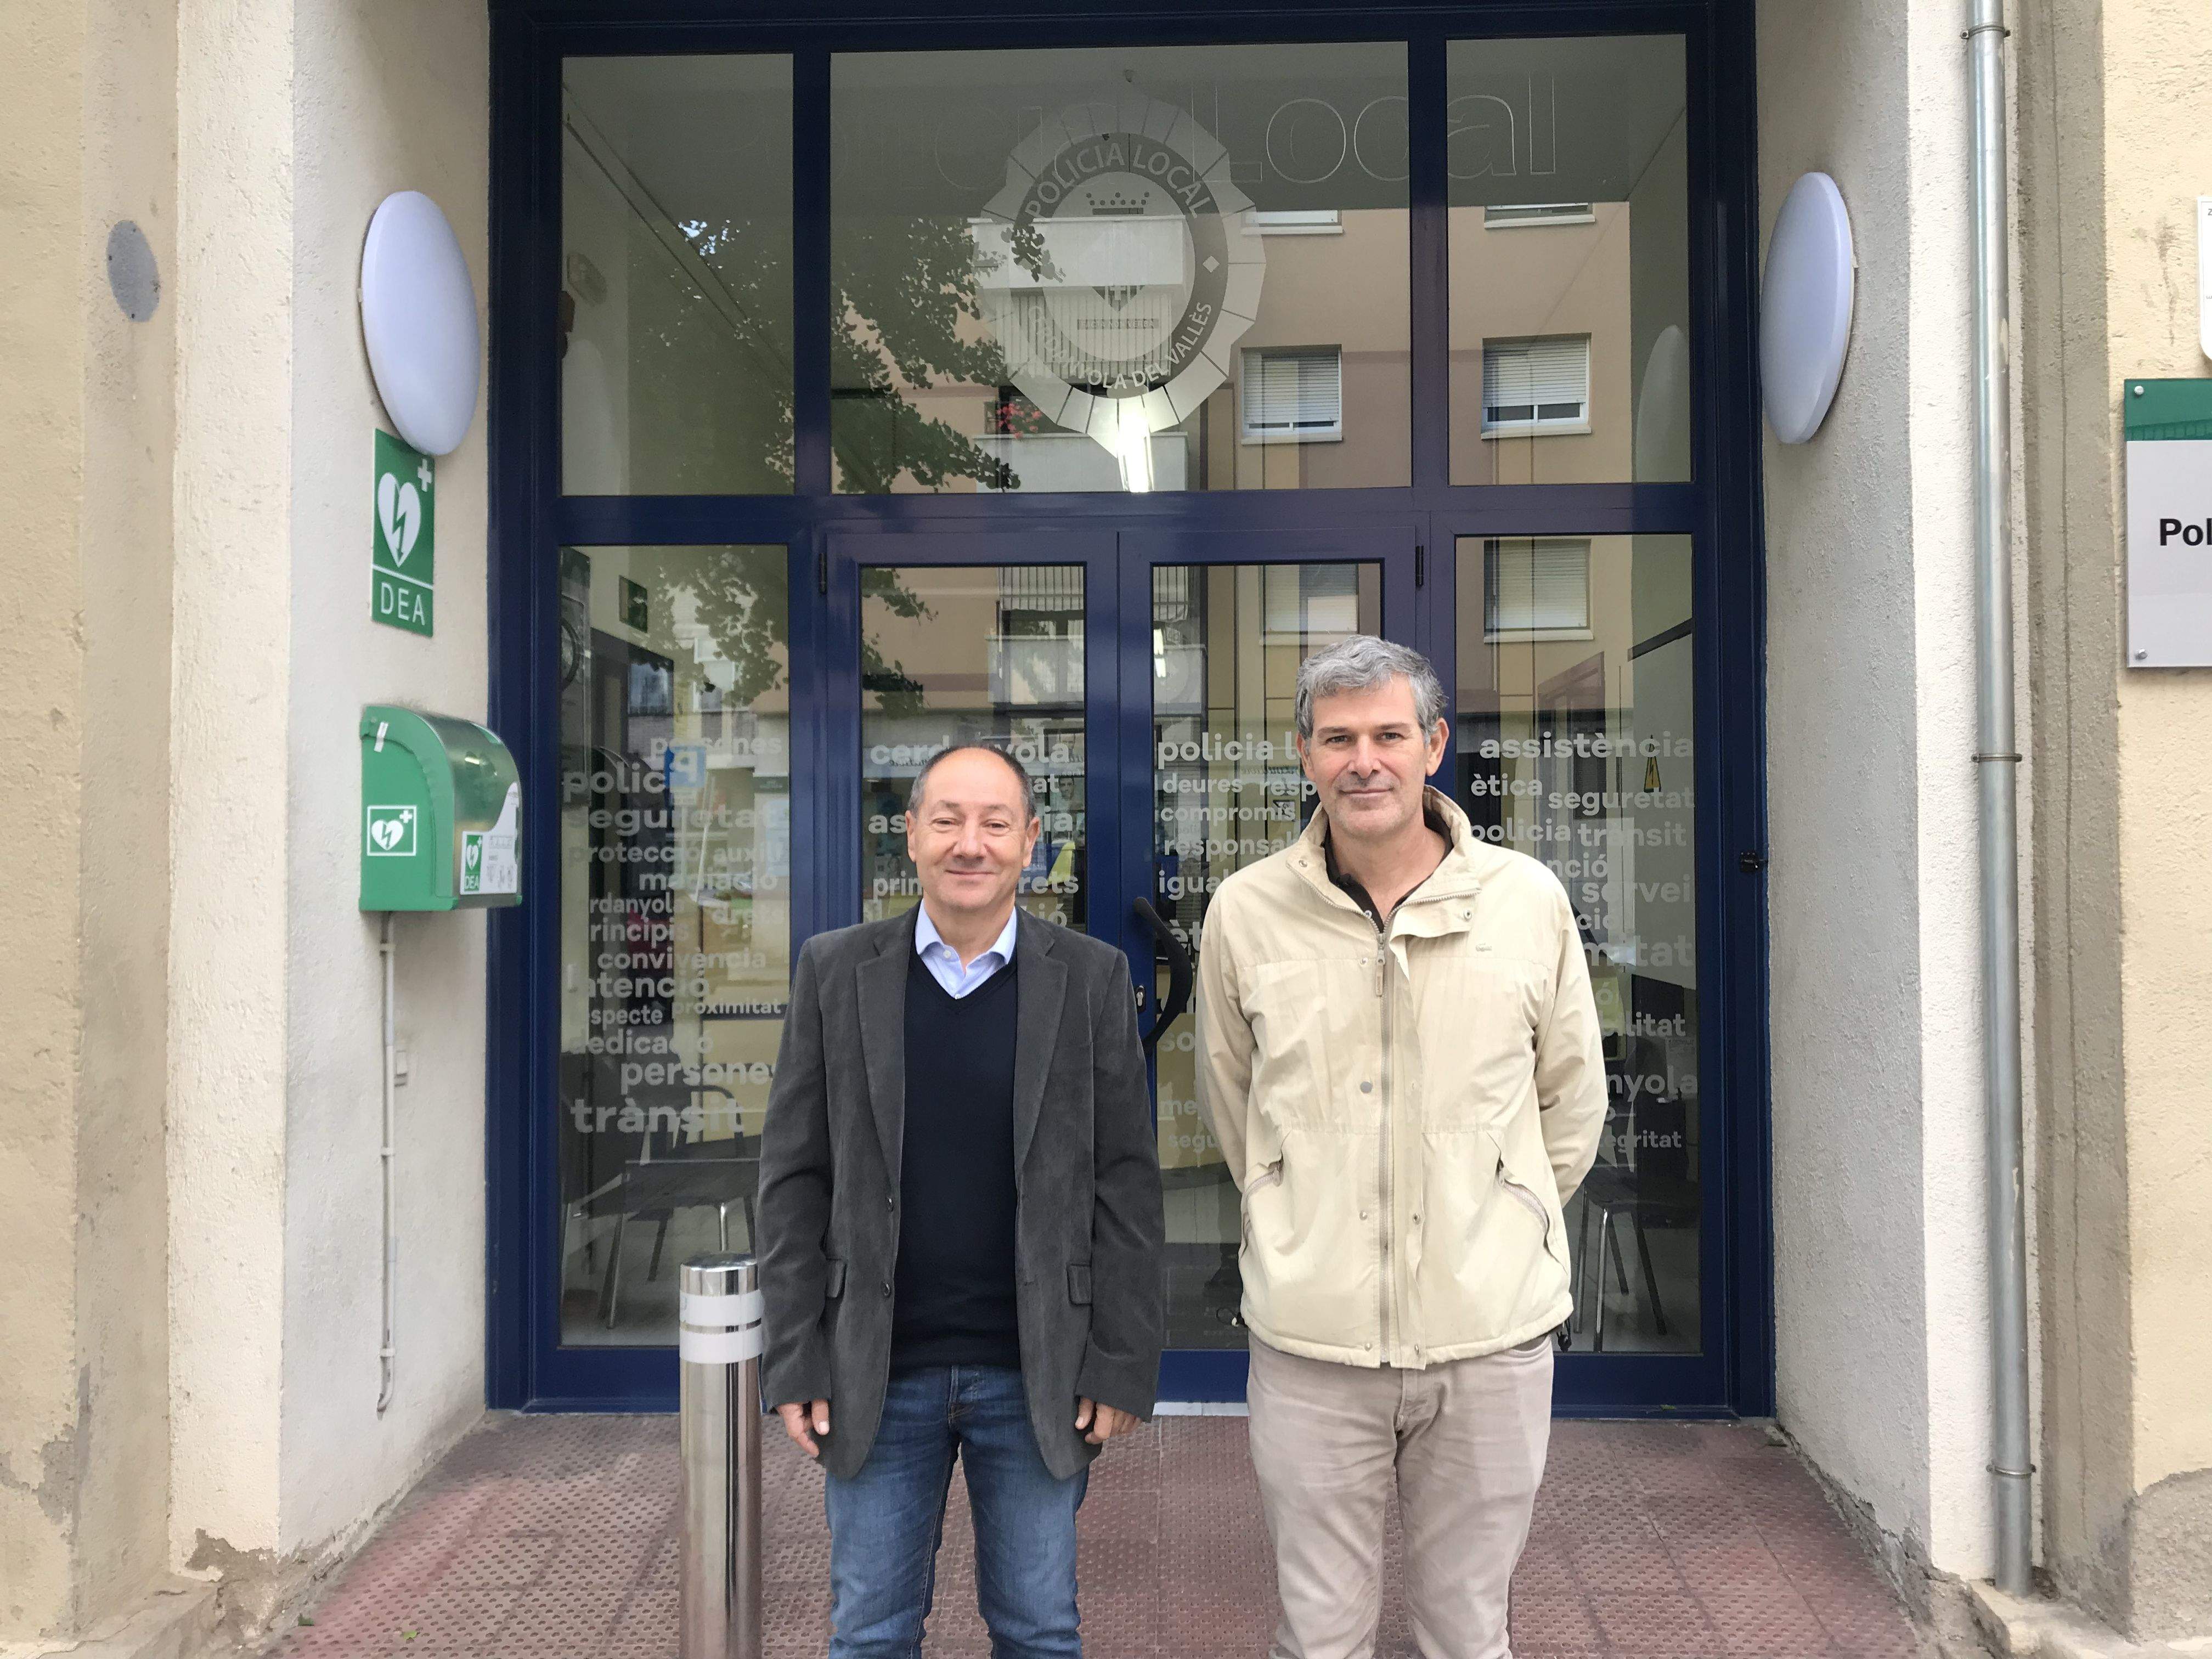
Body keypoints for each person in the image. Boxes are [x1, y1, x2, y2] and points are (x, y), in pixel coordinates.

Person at [1195, 636, 1607, 1659]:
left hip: (1488, 1338)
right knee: (1319, 1633)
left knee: (1469, 1633)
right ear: (1303, 755)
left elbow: (1571, 1105)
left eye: (1387, 735)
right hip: (1312, 1344)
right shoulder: (1246, 913)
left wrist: (1498, 1212)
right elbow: (1235, 1105)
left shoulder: (1527, 901)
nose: (1363, 761)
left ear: (1434, 746)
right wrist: (1302, 1215)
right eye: (1338, 739)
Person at [758, 742, 1166, 1659]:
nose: (968, 844)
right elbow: (792, 1178)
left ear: (1030, 840)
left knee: (1037, 1629)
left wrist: (1122, 1360)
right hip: (877, 1369)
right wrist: (792, 1356)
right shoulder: (834, 971)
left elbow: (1127, 1184)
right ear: (909, 836)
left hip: (1037, 1375)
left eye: (993, 823)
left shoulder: (1091, 977)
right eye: (946, 820)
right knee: (869, 1634)